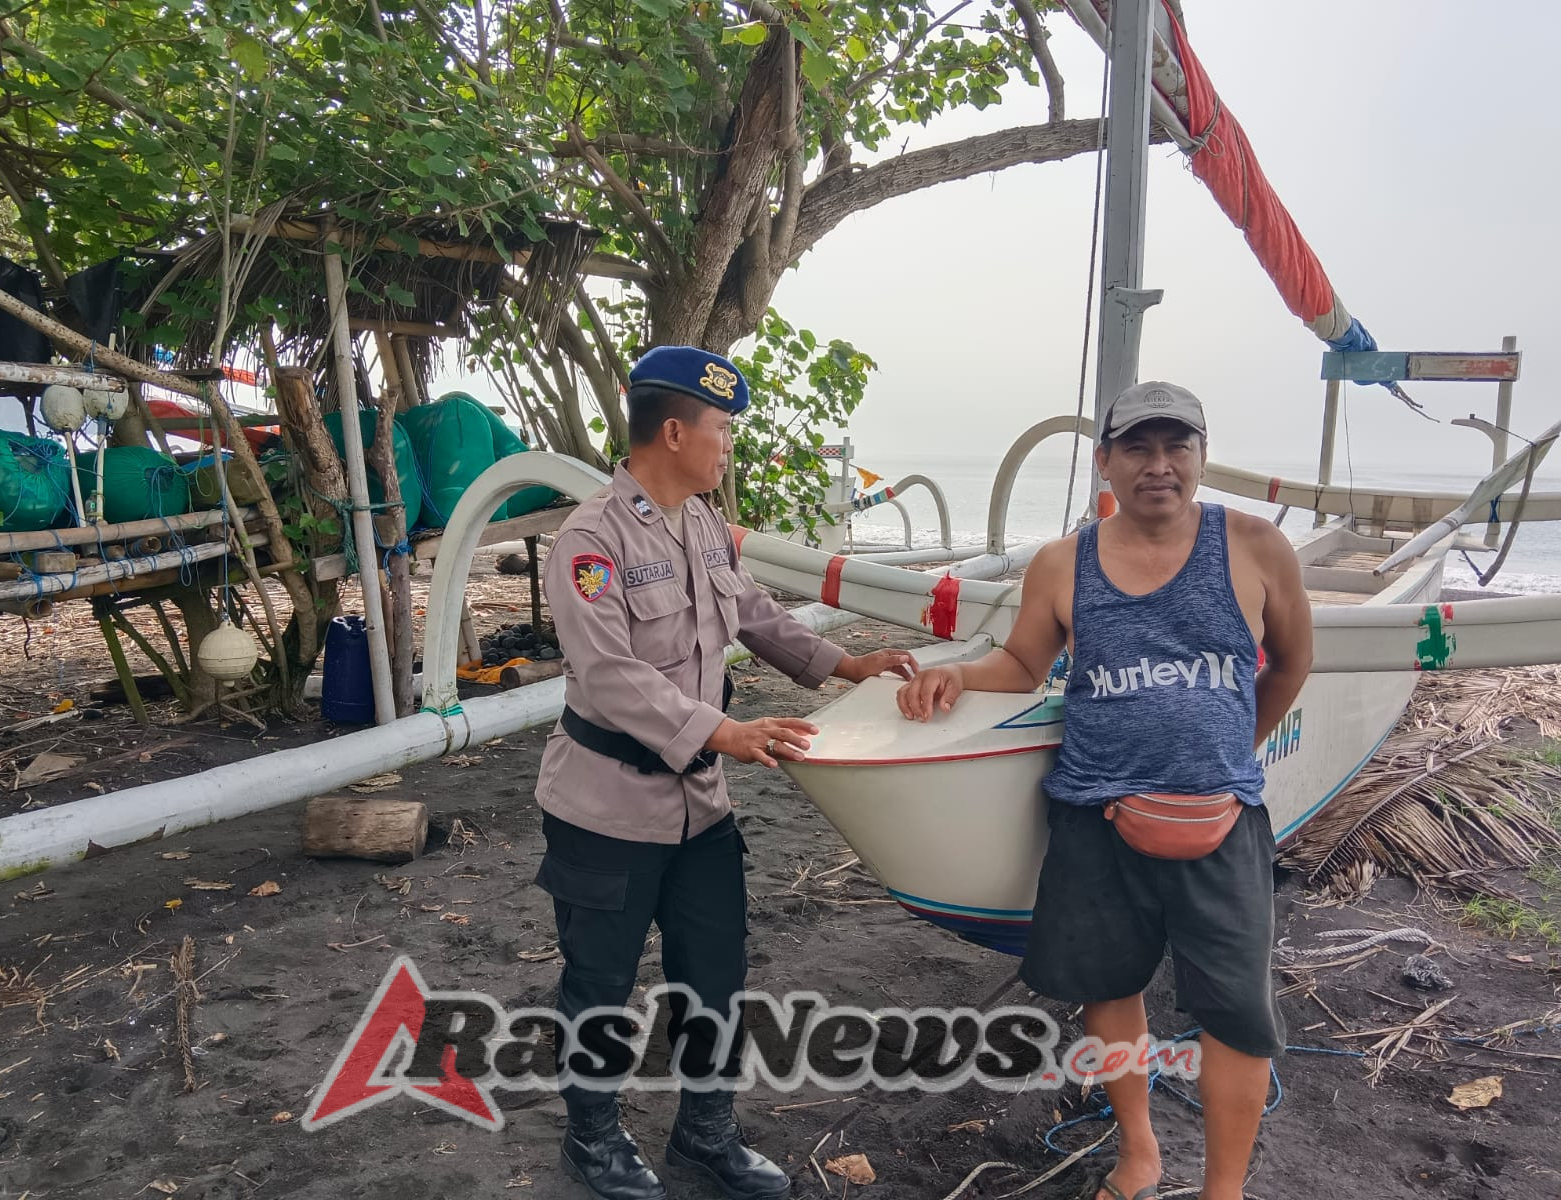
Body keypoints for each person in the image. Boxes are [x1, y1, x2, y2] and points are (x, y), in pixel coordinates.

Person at [895, 381, 1313, 1200]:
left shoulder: (1258, 546)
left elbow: (1294, 662)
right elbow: (1023, 665)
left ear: (1199, 455)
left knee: (1236, 1013)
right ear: (1106, 462)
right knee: (1108, 991)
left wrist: (1231, 750)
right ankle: (1140, 1153)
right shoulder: (1064, 561)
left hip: (1222, 820)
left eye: (1177, 447)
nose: (1159, 466)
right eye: (1139, 449)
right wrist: (956, 677)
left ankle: (1222, 1190)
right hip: (1095, 814)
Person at [536, 345, 916, 1200]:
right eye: (721, 431)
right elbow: (607, 675)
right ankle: (591, 1142)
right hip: (606, 809)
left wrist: (844, 665)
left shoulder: (702, 523)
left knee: (714, 973)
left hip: (699, 809)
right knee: (600, 982)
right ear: (674, 433)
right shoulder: (589, 541)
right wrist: (722, 730)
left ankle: (705, 1135)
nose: (727, 446)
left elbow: (750, 611)